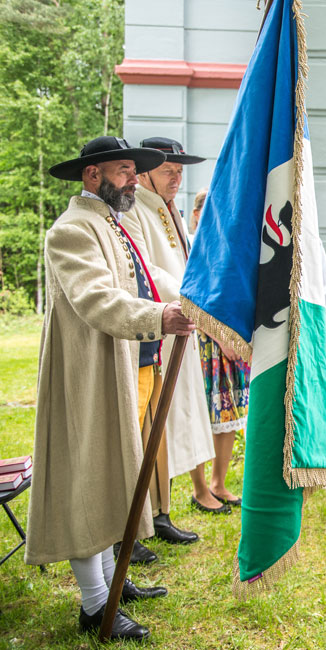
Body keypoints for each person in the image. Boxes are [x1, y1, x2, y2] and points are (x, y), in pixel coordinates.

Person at [25, 136, 196, 640]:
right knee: (88, 479)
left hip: (121, 362)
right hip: (86, 370)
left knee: (110, 474)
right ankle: (95, 603)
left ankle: (110, 584)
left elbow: (145, 278)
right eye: (123, 171)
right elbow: (97, 298)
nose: (131, 181)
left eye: (132, 172)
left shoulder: (112, 223)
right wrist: (158, 317)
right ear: (92, 174)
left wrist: (185, 302)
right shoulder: (71, 230)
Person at [121, 137, 227, 517]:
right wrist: (189, 300)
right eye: (168, 171)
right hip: (158, 329)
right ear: (145, 173)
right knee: (155, 421)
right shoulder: (134, 209)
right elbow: (146, 269)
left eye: (180, 172)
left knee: (177, 417)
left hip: (182, 325)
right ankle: (148, 510)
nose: (176, 179)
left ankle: (161, 510)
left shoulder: (170, 211)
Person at [189, 187, 250, 506]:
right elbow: (187, 301)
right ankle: (199, 488)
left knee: (228, 414)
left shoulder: (226, 247)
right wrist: (220, 337)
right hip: (202, 343)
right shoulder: (190, 247)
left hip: (232, 343)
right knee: (200, 415)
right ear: (197, 214)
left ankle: (218, 483)